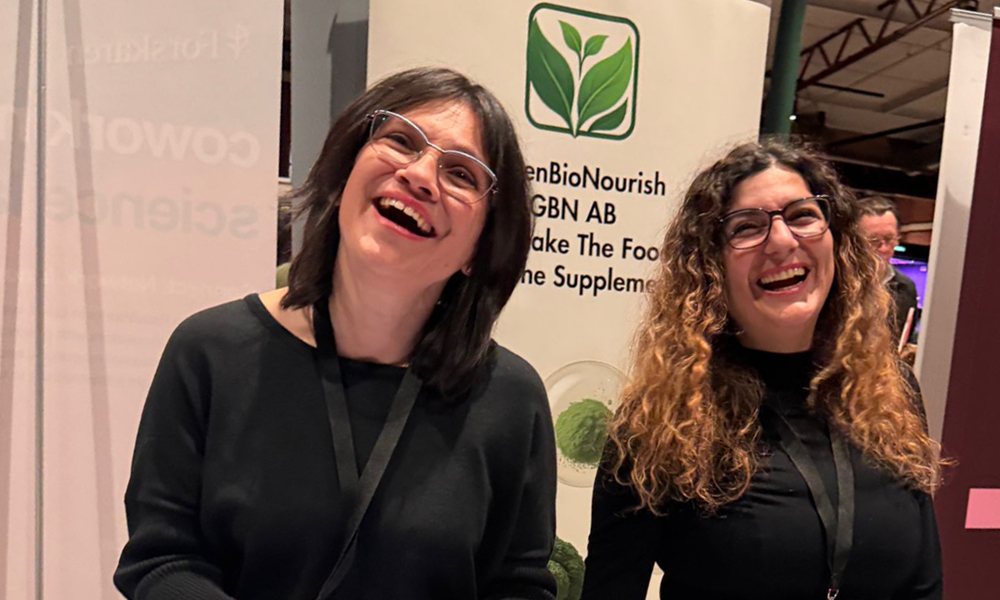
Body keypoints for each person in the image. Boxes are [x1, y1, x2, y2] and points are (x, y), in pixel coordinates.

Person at [114, 67, 558, 600]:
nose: (420, 175)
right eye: (401, 140)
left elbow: (519, 587)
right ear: (344, 171)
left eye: (461, 174)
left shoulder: (509, 399)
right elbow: (161, 560)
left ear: (480, 248)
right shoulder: (210, 352)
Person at [581, 140, 943, 600]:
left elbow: (924, 583)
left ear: (837, 239)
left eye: (802, 216)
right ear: (710, 264)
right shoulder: (660, 419)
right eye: (747, 227)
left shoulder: (891, 391)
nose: (782, 241)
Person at [859, 196, 919, 341]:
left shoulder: (906, 288)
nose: (884, 248)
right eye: (874, 241)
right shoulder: (835, 280)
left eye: (889, 239)